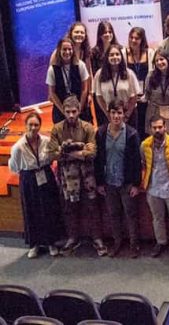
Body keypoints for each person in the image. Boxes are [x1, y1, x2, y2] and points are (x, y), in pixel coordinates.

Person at [46, 97, 106, 256]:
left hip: (87, 177)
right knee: (70, 209)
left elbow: (92, 153)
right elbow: (51, 154)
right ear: (63, 112)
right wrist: (80, 151)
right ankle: (72, 238)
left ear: (79, 111)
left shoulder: (87, 128)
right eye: (68, 112)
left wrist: (67, 151)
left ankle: (97, 238)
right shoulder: (57, 129)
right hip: (68, 178)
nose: (71, 115)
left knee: (92, 207)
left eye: (74, 111)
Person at [9, 111, 64, 258]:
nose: (33, 127)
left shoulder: (46, 141)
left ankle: (51, 242)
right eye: (30, 125)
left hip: (45, 175)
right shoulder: (18, 147)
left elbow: (55, 154)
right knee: (31, 210)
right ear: (25, 125)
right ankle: (34, 244)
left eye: (36, 125)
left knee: (49, 209)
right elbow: (13, 167)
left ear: (40, 126)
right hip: (29, 179)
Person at [95, 101, 142, 258]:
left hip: (126, 183)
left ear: (124, 114)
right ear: (109, 113)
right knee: (114, 214)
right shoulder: (101, 133)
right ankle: (117, 243)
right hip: (109, 182)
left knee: (131, 214)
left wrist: (136, 184)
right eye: (113, 112)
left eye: (119, 113)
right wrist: (99, 182)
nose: (116, 116)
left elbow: (136, 161)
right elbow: (98, 159)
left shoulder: (132, 134)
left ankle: (134, 244)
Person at [141, 117, 169, 258]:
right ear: (150, 129)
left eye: (160, 127)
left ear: (165, 127)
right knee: (157, 217)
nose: (157, 130)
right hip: (153, 188)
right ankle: (161, 242)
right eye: (154, 128)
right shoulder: (144, 145)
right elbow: (144, 163)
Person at [94, 43, 141, 128]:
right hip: (108, 115)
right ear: (107, 57)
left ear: (121, 57)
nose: (114, 57)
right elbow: (99, 96)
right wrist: (108, 114)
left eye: (117, 54)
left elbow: (134, 97)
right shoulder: (99, 74)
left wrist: (126, 115)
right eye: (111, 55)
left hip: (128, 115)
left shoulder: (129, 73)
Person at [47, 37, 92, 124]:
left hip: (80, 107)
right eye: (64, 49)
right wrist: (64, 111)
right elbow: (52, 93)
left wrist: (79, 108)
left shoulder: (81, 65)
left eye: (69, 49)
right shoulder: (52, 69)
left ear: (73, 50)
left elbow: (84, 89)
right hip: (61, 109)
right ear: (59, 51)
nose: (67, 52)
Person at [124, 27, 154, 134]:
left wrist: (147, 94)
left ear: (142, 39)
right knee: (132, 127)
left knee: (145, 127)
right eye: (131, 38)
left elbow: (152, 75)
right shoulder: (124, 53)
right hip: (130, 97)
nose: (133, 41)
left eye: (136, 38)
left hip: (146, 96)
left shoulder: (149, 53)